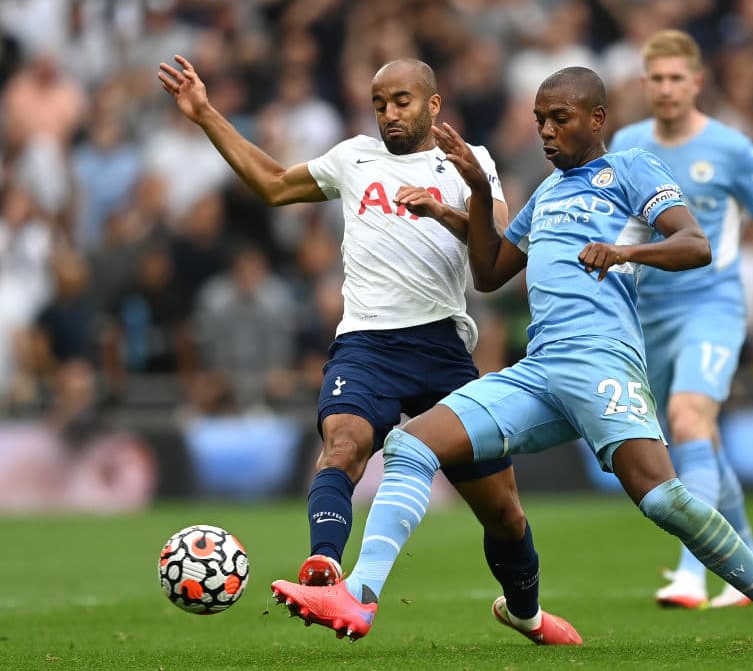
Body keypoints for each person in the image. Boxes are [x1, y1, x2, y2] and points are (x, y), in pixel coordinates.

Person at [270, 66, 753, 649]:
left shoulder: (630, 169)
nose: (546, 132)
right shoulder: (546, 194)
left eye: (559, 119)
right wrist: (472, 195)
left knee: (663, 500)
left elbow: (694, 244)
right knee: (409, 445)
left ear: (596, 119)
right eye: (539, 121)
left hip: (603, 363)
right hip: (539, 370)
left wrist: (625, 253)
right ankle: (360, 595)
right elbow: (490, 271)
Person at [157, 55, 581, 645]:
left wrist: (451, 207)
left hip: (442, 348)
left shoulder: (470, 161)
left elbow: (497, 254)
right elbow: (273, 184)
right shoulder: (352, 157)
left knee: (503, 510)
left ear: (433, 104)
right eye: (380, 104)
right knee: (342, 447)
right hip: (366, 344)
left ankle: (526, 614)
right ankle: (325, 568)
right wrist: (206, 115)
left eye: (402, 101)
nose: (389, 114)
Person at [608, 29, 753, 609]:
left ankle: (691, 572)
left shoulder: (732, 149)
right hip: (649, 314)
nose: (667, 89)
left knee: (688, 419)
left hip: (712, 306)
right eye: (657, 79)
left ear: (696, 82)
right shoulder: (627, 144)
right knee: (701, 441)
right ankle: (751, 565)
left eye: (676, 78)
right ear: (644, 84)